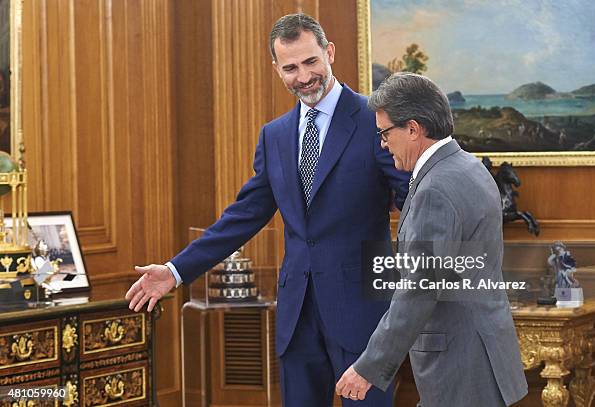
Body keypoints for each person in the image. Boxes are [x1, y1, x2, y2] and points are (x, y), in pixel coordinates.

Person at [125, 13, 410, 407]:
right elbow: (243, 215)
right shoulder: (273, 135)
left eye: (311, 62)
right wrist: (175, 271)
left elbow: (415, 200)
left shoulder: (374, 120)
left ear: (329, 53)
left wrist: (430, 286)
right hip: (297, 317)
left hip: (364, 312)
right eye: (291, 67)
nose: (304, 76)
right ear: (277, 69)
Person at [336, 73, 528, 406]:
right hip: (481, 356)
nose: (382, 143)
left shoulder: (435, 189)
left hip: (460, 366)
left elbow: (418, 290)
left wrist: (368, 367)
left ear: (413, 129)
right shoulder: (469, 166)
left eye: (384, 133)